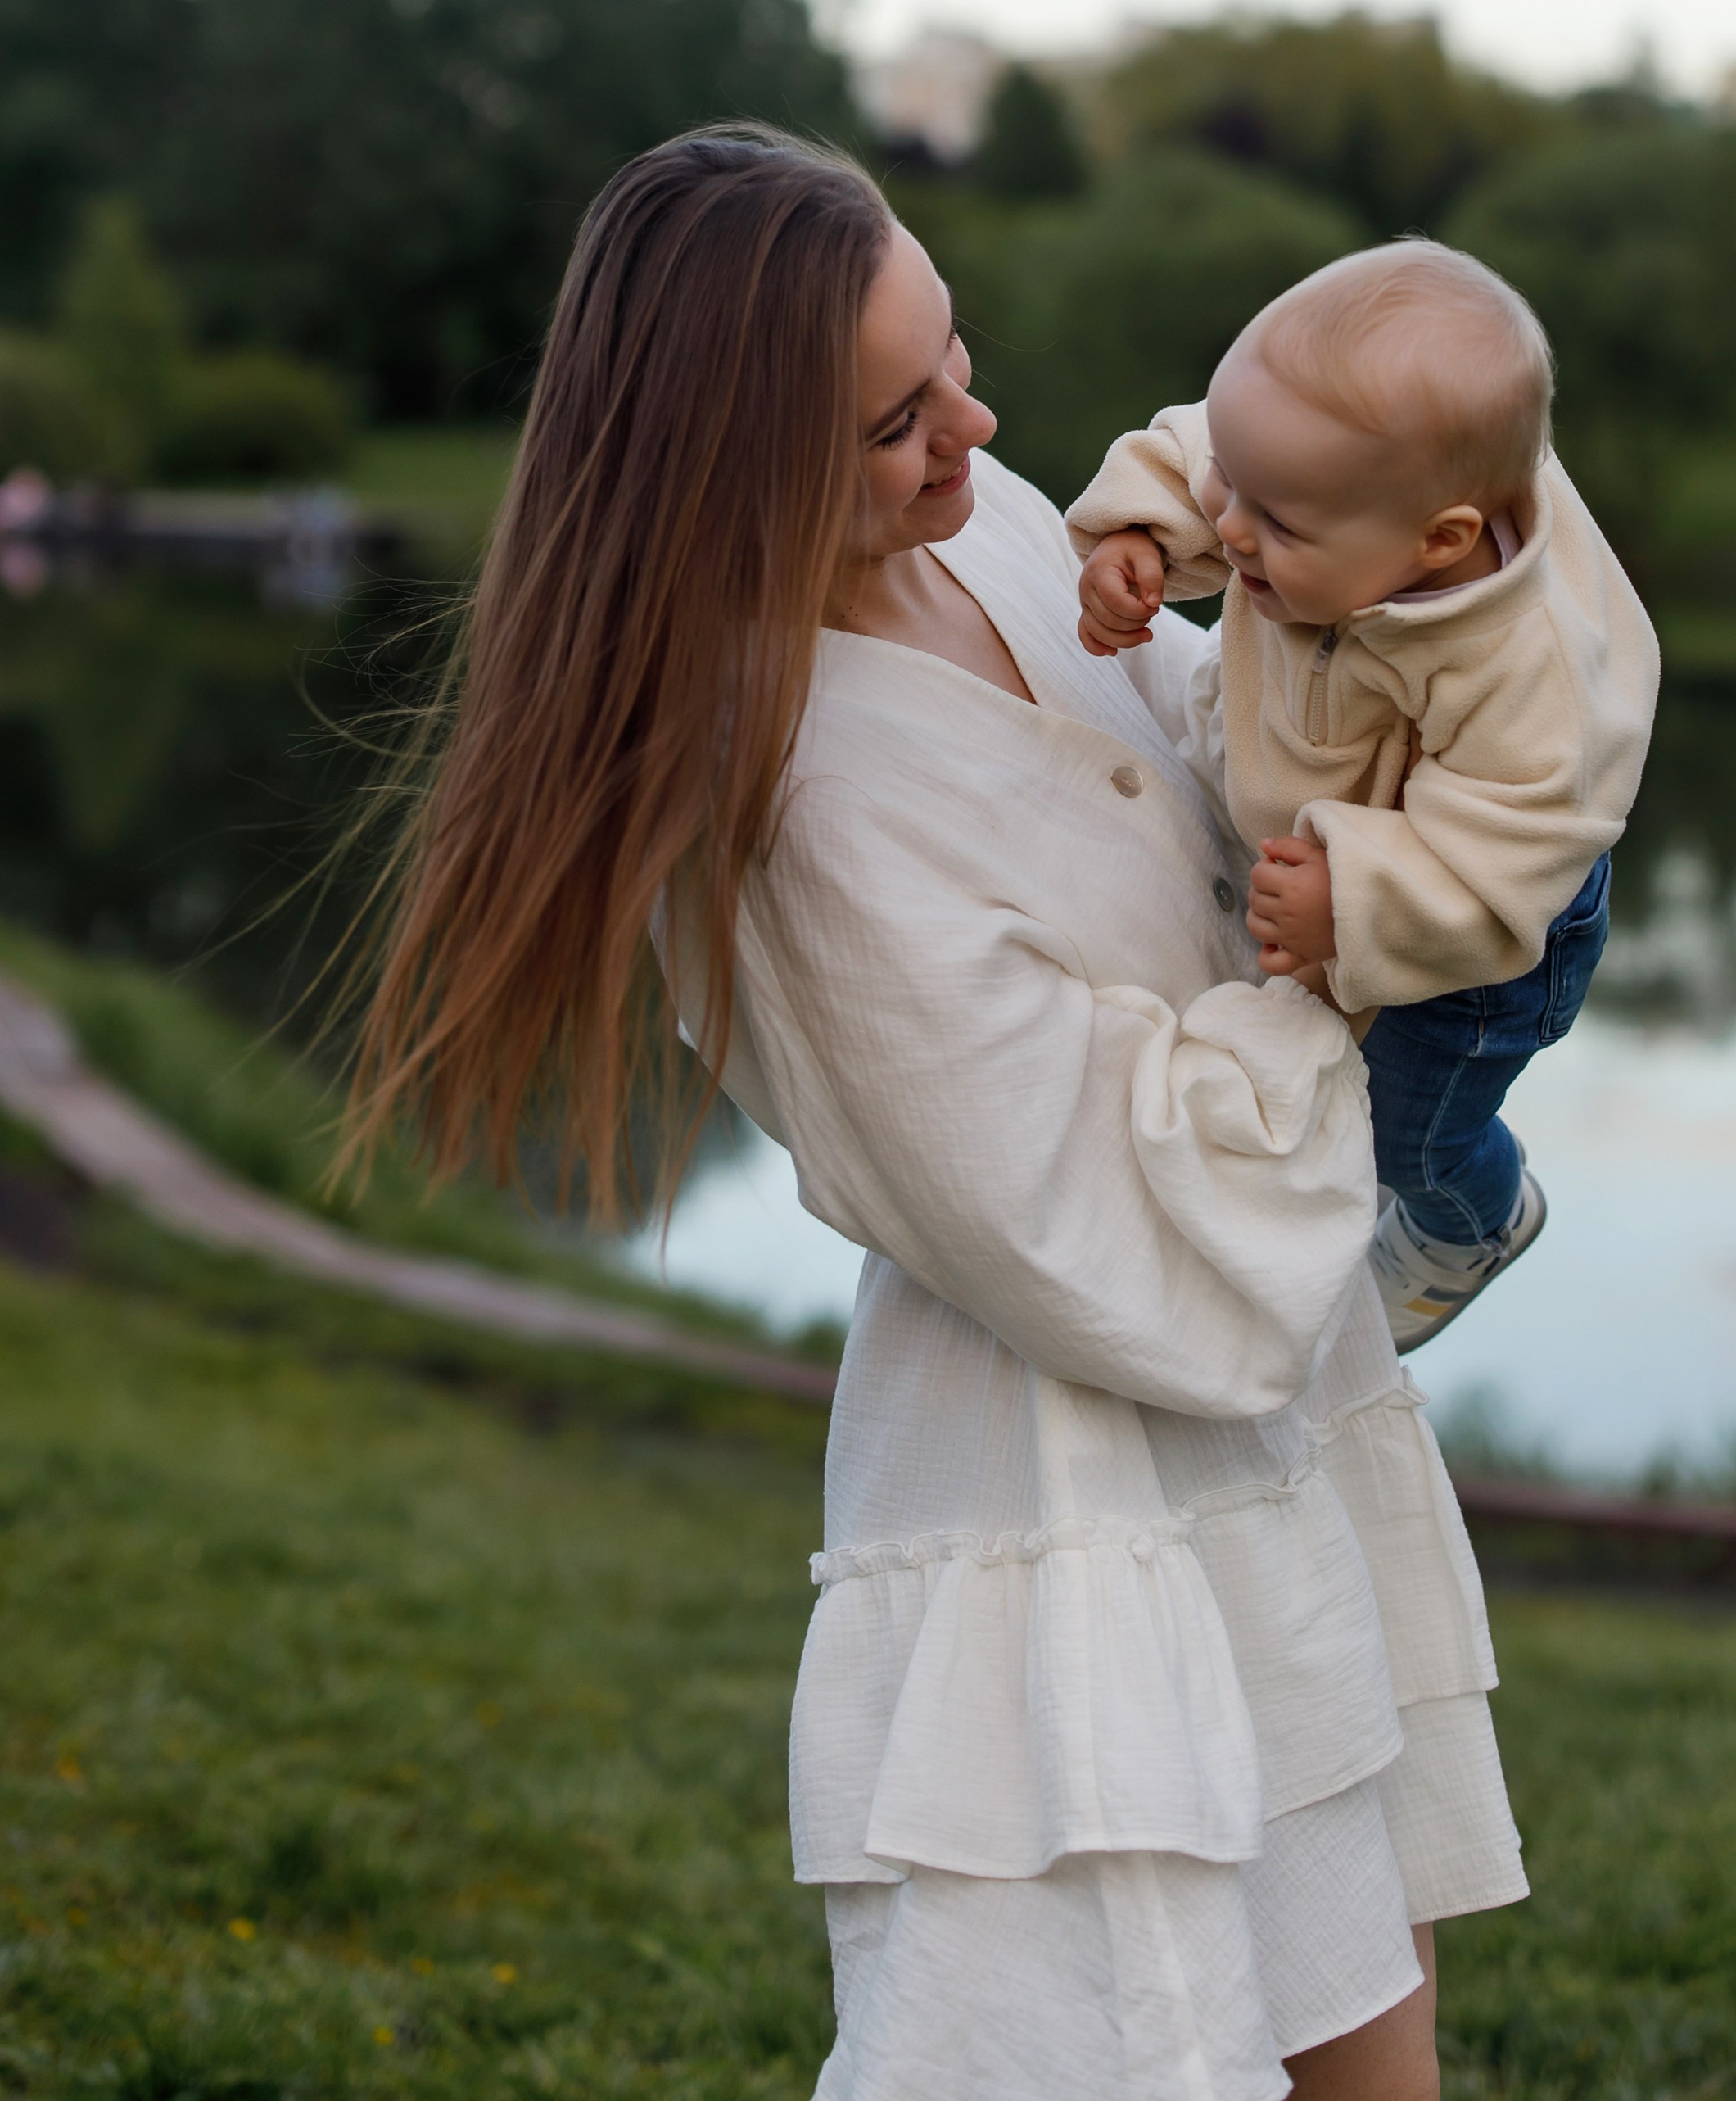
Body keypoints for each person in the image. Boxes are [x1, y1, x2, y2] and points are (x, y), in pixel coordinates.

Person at [346, 130, 1528, 2101]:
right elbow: (1117, 1234)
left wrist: (1444, 755)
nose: (974, 422)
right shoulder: (782, 812)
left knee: (1367, 2042)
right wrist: (1342, 991)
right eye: (899, 417)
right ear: (739, 477)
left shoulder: (977, 533)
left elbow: (1214, 766)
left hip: (1271, 1438)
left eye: (954, 349)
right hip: (1072, 1517)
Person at [1067, 240, 1661, 1352]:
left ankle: (1477, 1221)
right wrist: (1139, 532)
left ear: (1439, 540)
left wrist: (1359, 897)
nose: (1233, 525)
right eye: (1230, 488)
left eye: (1276, 524)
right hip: (1334, 767)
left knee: (1404, 1127)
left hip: (1494, 928)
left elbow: (1502, 857)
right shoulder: (1313, 474)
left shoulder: (1525, 669)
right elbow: (1206, 444)